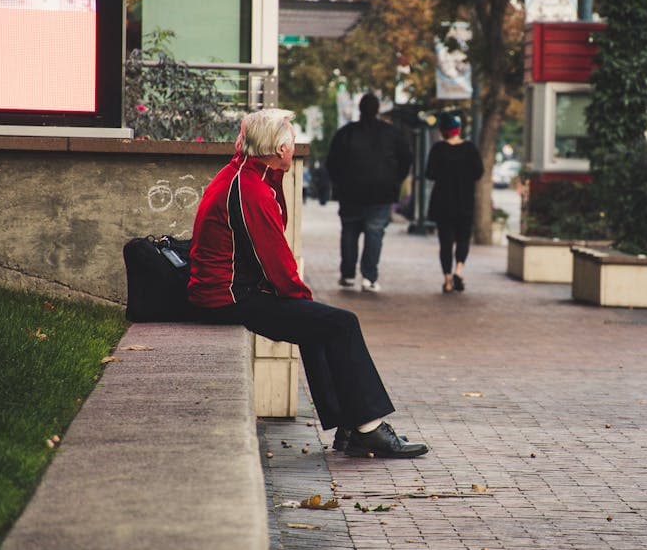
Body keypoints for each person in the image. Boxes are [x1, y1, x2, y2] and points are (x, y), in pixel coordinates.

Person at [187, 108, 428, 459]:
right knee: (340, 323)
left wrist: (305, 305)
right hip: (228, 297)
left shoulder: (250, 175)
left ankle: (351, 428)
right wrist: (303, 299)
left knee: (320, 324)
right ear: (279, 149)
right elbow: (275, 258)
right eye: (290, 141)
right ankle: (369, 429)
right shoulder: (250, 187)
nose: (294, 146)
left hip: (233, 290)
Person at [325, 93, 412, 293]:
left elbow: (332, 162)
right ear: (378, 110)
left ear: (360, 109)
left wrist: (340, 183)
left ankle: (347, 275)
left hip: (350, 192)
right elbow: (406, 159)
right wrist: (394, 180)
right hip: (381, 192)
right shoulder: (392, 134)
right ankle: (369, 277)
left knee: (349, 232)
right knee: (375, 233)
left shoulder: (346, 133)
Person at [426, 113, 484, 293]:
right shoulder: (470, 149)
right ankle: (459, 269)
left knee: (445, 242)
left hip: (443, 203)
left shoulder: (438, 149)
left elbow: (430, 173)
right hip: (464, 202)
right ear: (458, 130)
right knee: (463, 239)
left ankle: (448, 279)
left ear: (443, 131)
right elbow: (478, 173)